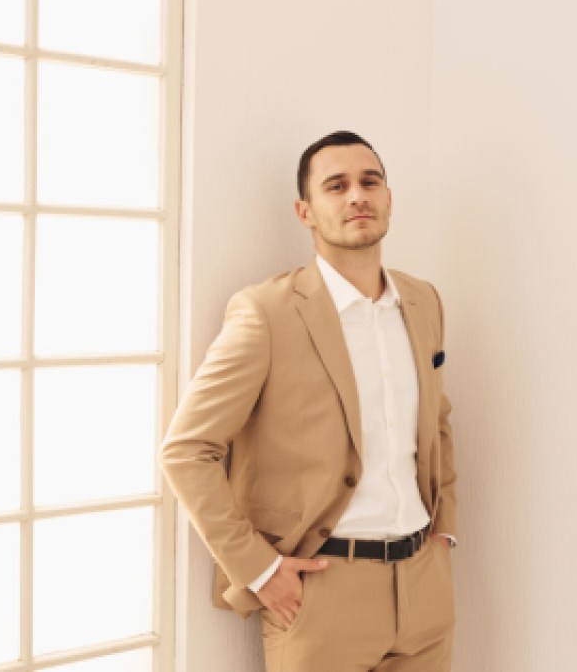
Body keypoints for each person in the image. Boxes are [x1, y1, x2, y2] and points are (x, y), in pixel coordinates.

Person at [161, 131, 458, 671]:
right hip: (322, 596)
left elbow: (437, 423)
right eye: (336, 186)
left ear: (389, 198)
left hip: (423, 589)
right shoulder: (267, 313)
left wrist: (444, 533)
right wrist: (257, 570)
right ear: (305, 211)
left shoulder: (423, 301)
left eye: (370, 182)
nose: (356, 197)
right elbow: (186, 450)